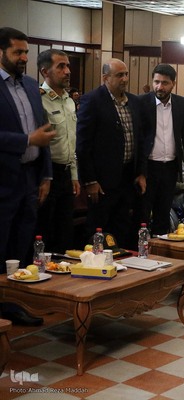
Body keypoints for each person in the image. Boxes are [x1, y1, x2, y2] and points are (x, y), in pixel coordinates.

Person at [0, 27, 56, 326]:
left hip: (30, 178)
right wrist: (25, 141)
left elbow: (43, 132)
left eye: (26, 52)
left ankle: (16, 302)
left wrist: (46, 175)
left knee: (22, 243)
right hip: (3, 181)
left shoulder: (32, 86)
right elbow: (32, 137)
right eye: (17, 52)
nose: (24, 57)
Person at [76, 58, 146, 250]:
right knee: (98, 229)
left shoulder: (134, 102)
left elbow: (139, 139)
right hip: (102, 180)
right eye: (119, 75)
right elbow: (83, 144)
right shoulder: (92, 100)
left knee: (122, 226)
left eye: (126, 74)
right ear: (105, 78)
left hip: (128, 177)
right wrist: (90, 180)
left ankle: (121, 263)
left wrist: (141, 172)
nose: (125, 79)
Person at [138, 63, 184, 235]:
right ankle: (141, 247)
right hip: (148, 167)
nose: (159, 87)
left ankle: (160, 247)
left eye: (164, 83)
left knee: (163, 213)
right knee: (142, 213)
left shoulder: (182, 104)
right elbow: (138, 140)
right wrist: (139, 171)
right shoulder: (141, 102)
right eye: (156, 82)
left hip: (170, 167)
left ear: (173, 84)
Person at [36, 49, 80, 254]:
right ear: (45, 72)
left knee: (65, 232)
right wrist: (44, 177)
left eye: (68, 66)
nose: (67, 71)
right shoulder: (39, 99)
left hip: (66, 172)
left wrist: (74, 175)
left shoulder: (69, 100)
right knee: (44, 231)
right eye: (61, 66)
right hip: (47, 173)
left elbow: (72, 142)